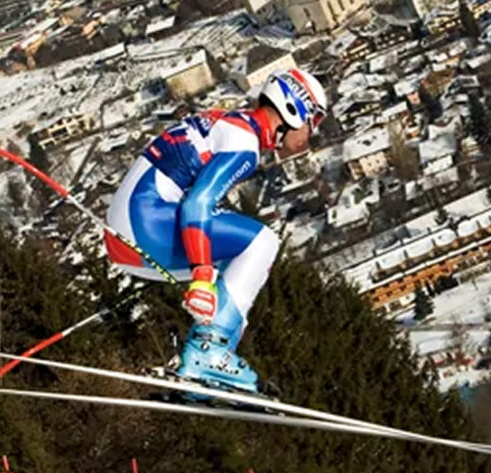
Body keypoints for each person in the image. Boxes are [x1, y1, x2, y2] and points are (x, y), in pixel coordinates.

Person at [105, 69, 328, 391]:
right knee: (261, 243)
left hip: (130, 232)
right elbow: (199, 204)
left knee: (238, 276)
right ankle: (207, 353)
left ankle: (208, 366)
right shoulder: (244, 143)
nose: (312, 133)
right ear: (294, 110)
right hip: (144, 225)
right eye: (314, 121)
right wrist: (200, 276)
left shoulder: (232, 123)